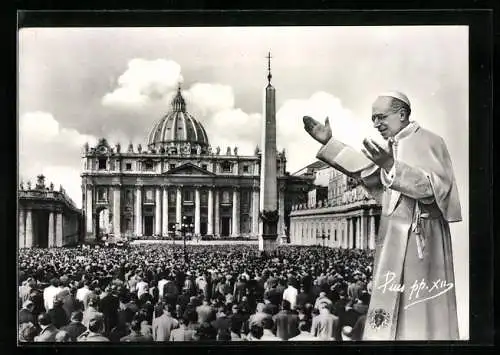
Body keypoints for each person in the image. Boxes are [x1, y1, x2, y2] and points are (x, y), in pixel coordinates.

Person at [303, 91, 461, 340]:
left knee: (418, 313)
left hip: (421, 242)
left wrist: (391, 166)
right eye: (373, 118)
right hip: (392, 241)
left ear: (402, 113)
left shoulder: (431, 141)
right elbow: (369, 172)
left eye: (380, 117)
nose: (375, 124)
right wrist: (330, 143)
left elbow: (434, 190)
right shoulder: (392, 145)